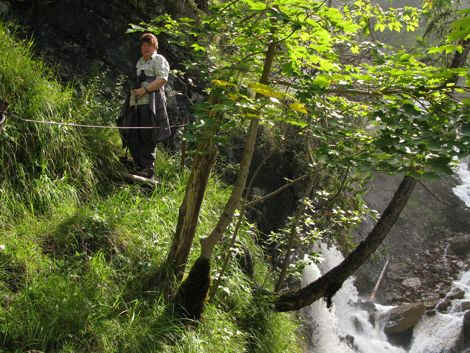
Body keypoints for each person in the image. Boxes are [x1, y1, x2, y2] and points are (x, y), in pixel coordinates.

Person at [124, 32, 171, 179]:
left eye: (148, 45)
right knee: (132, 131)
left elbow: (162, 79)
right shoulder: (140, 62)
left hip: (152, 102)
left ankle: (148, 169)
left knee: (148, 134)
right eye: (143, 45)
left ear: (154, 46)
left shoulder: (159, 59)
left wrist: (144, 90)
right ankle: (138, 165)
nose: (145, 48)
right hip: (136, 102)